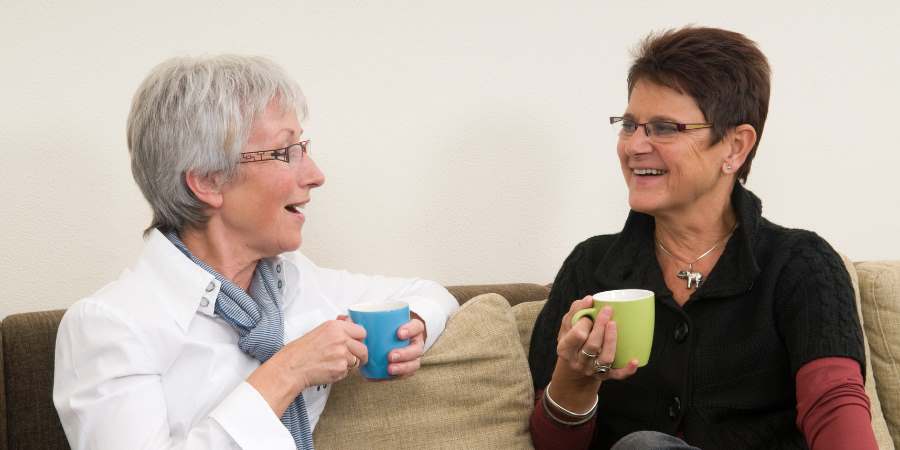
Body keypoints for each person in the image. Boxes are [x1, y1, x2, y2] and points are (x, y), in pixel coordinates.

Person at [53, 55, 459, 450]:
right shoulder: (109, 328)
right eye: (287, 153)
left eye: (304, 147)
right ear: (209, 182)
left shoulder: (297, 283)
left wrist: (416, 325)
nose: (316, 175)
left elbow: (431, 292)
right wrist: (288, 371)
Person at [527, 27, 876, 450]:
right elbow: (549, 445)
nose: (635, 145)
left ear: (735, 147)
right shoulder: (591, 266)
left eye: (664, 127)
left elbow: (834, 407)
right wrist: (574, 381)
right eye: (630, 125)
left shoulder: (801, 263)